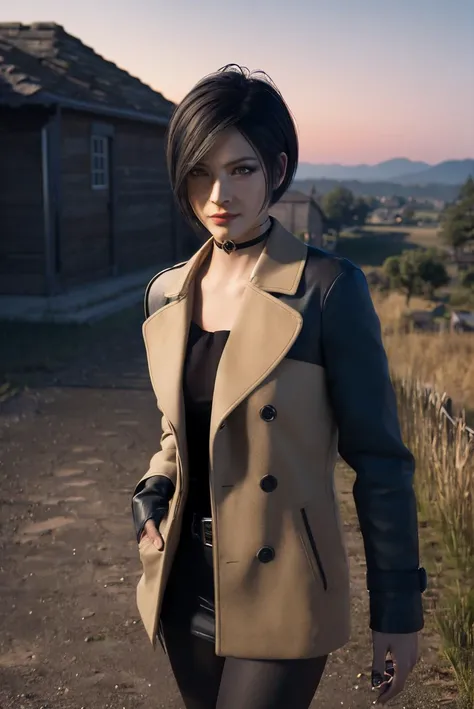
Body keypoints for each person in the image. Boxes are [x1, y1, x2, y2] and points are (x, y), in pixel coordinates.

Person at [131, 65, 427, 709]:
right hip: (184, 575)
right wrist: (151, 491)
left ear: (278, 168)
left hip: (284, 579)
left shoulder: (327, 289)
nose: (218, 193)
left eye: (240, 169)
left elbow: (380, 461)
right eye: (200, 171)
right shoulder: (165, 292)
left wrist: (398, 611)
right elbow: (177, 430)